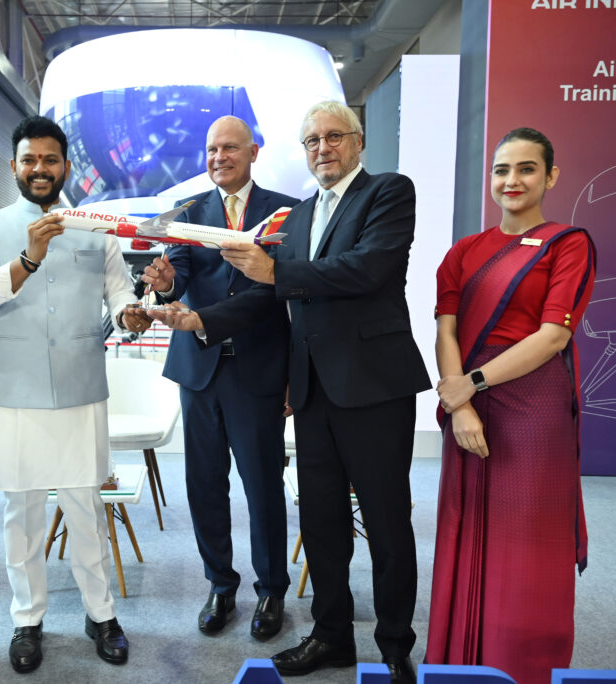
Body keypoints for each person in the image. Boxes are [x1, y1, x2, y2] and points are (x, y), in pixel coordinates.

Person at [150, 100, 430, 682]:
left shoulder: (388, 192)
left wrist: (274, 274)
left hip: (374, 385)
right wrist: (203, 322)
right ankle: (331, 636)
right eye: (311, 141)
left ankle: (395, 644)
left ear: (357, 143)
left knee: (384, 520)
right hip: (311, 388)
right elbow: (267, 294)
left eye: (333, 137)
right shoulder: (299, 218)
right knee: (323, 520)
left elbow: (366, 268)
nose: (322, 148)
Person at [0, 115, 152, 674]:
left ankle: (101, 614)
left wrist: (132, 313)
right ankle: (27, 620)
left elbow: (118, 294)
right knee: (22, 511)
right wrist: (27, 258)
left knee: (86, 507)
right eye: (29, 160)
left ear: (66, 166)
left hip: (79, 387)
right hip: (12, 391)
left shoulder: (96, 228)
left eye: (49, 159)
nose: (39, 169)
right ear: (13, 166)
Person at [425, 127, 596, 684]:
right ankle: (457, 663)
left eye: (526, 169)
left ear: (550, 177)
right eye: (502, 169)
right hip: (469, 405)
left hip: (533, 407)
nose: (512, 180)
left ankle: (522, 666)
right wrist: (461, 402)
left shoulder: (568, 244)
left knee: (526, 542)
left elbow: (553, 337)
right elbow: (445, 331)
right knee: (463, 528)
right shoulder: (463, 252)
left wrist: (468, 384)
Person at [141, 115, 299, 639]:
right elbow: (178, 278)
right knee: (204, 486)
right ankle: (220, 585)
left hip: (257, 371)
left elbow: (283, 294)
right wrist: (165, 285)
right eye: (211, 150)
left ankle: (272, 590)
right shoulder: (191, 213)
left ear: (254, 151)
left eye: (229, 148)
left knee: (261, 488)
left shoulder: (286, 212)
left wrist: (295, 376)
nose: (218, 158)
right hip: (200, 373)